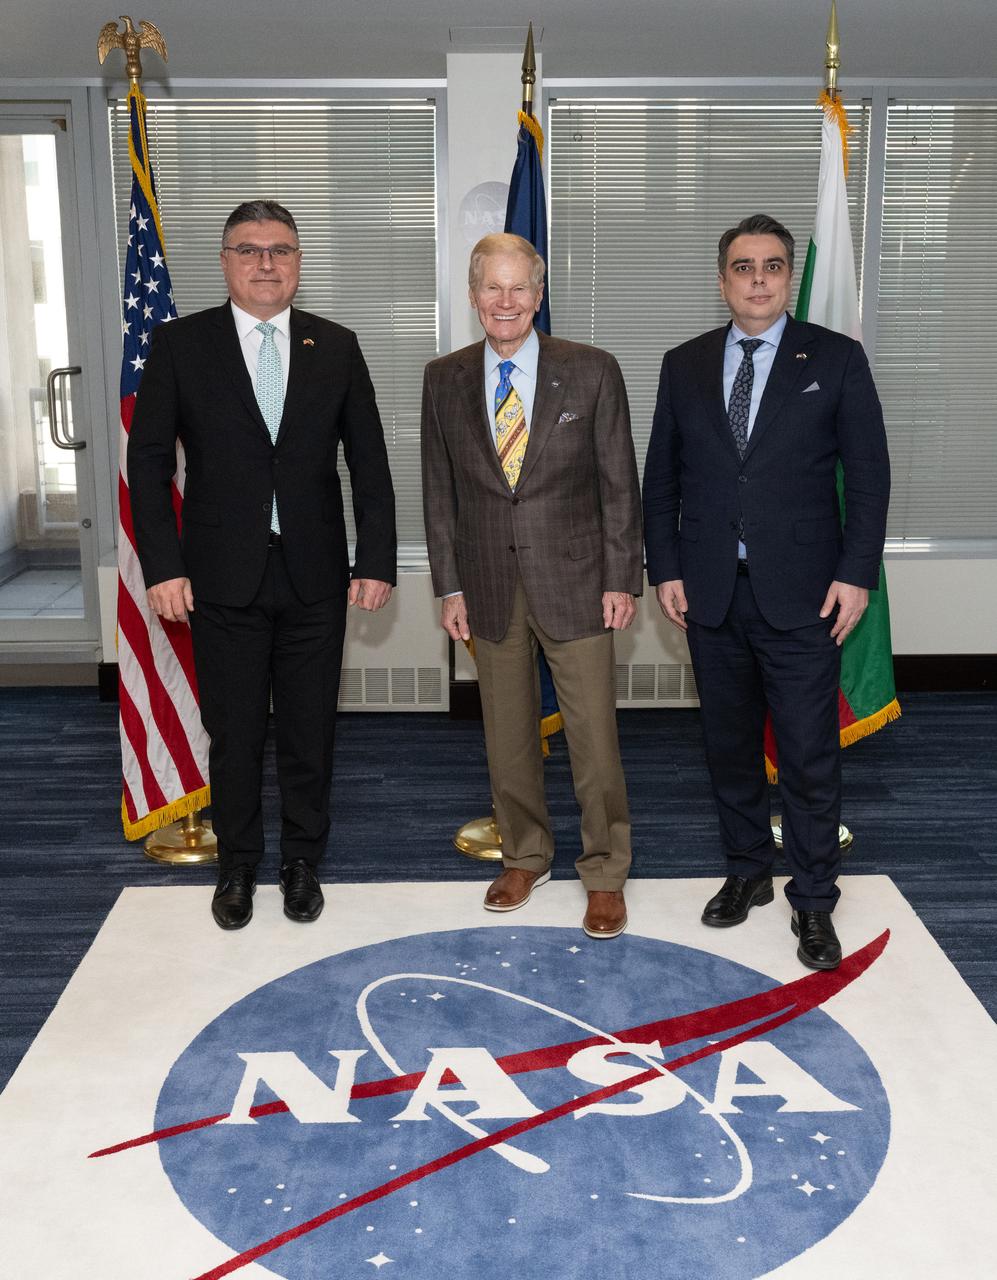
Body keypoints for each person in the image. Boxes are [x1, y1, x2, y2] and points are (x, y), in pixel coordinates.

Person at [129, 200, 396, 930]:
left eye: (280, 249)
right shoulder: (181, 344)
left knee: (311, 731)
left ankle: (301, 862)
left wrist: (376, 559)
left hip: (315, 574)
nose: (266, 263)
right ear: (224, 262)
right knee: (236, 731)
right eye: (248, 250)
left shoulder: (335, 345)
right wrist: (162, 565)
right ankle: (238, 866)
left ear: (299, 263)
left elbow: (367, 462)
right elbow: (148, 465)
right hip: (219, 576)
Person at [642, 213, 890, 970]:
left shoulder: (837, 359)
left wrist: (853, 575)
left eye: (772, 266)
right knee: (726, 748)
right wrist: (666, 568)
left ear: (787, 278)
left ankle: (813, 900)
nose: (757, 279)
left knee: (810, 756)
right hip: (711, 594)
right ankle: (747, 869)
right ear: (722, 281)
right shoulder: (682, 364)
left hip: (804, 595)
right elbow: (662, 481)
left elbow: (870, 477)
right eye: (743, 267)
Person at [421, 232, 643, 938]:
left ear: (538, 295)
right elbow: (438, 494)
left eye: (520, 288)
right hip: (486, 583)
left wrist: (621, 577)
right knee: (506, 735)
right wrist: (448, 587)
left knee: (592, 740)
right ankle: (525, 854)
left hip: (578, 582)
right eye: (493, 287)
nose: (506, 301)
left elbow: (618, 485)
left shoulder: (591, 371)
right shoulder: (444, 377)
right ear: (473, 294)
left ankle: (604, 870)